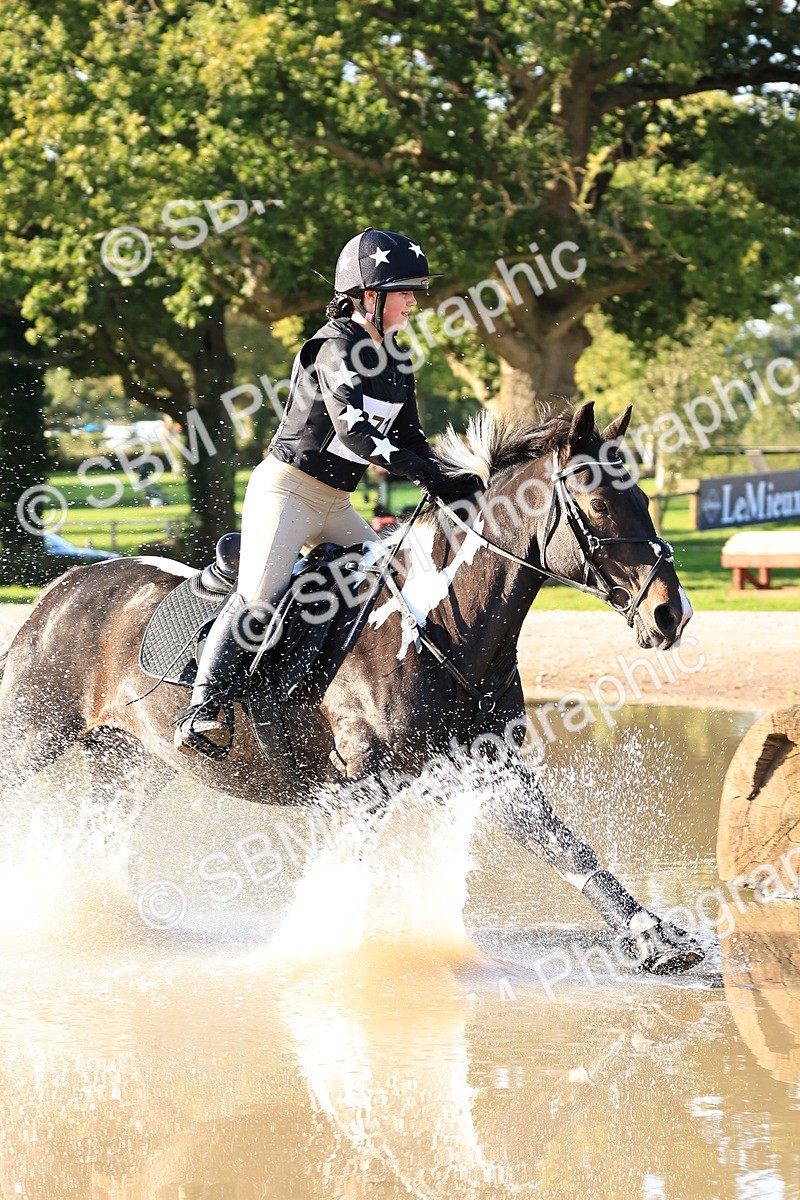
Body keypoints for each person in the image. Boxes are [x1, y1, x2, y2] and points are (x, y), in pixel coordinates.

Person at [172, 227, 483, 758]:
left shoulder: (398, 361)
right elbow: (355, 433)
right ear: (369, 296)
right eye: (405, 291)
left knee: (390, 590)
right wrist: (428, 476)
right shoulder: (335, 346)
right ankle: (203, 709)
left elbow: (411, 440)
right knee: (260, 597)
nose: (415, 300)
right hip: (286, 493)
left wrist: (460, 476)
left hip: (336, 504)